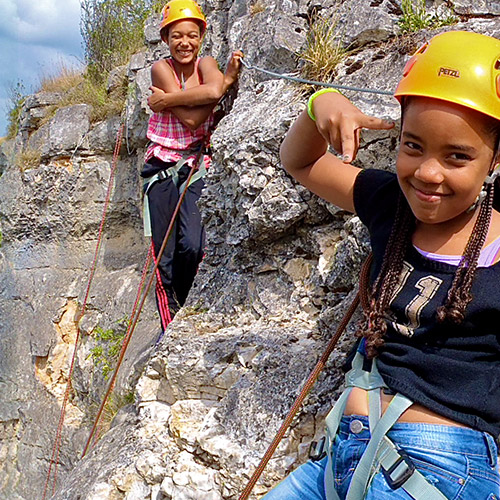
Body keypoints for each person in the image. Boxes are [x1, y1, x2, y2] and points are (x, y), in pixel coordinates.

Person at [265, 30, 500, 500]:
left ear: (495, 158)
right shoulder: (390, 204)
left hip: (445, 468)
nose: (428, 173)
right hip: (345, 452)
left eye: (458, 156)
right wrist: (320, 106)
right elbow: (301, 161)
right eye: (413, 146)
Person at [142, 0, 242, 331]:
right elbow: (190, 118)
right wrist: (217, 89)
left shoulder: (207, 63)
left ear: (201, 37)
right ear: (166, 39)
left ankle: (188, 306)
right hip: (160, 167)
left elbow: (205, 99)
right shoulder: (161, 70)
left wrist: (165, 100)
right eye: (176, 36)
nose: (185, 43)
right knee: (165, 256)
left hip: (197, 162)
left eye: (192, 36)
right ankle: (171, 326)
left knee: (195, 244)